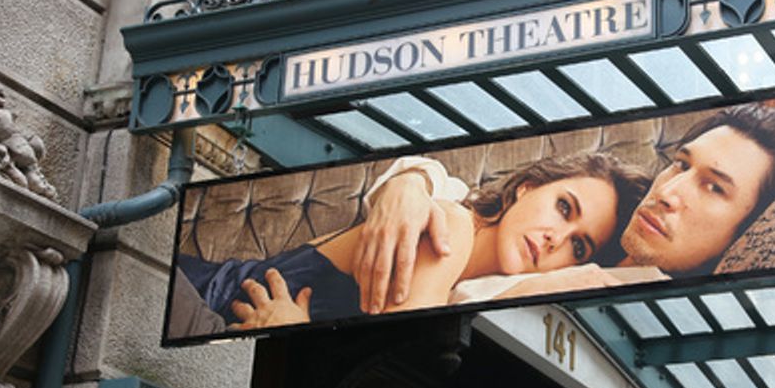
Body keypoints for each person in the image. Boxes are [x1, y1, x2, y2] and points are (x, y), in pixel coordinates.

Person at [355, 104, 775, 307]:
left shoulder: (644, 298)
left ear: (746, 231)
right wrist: (413, 180)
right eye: (680, 165)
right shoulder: (610, 232)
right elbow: (468, 210)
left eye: (714, 188)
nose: (669, 192)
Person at [175, 152, 650, 329]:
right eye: (564, 208)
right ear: (526, 188)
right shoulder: (452, 227)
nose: (556, 239)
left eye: (579, 246)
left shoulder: (469, 285)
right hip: (194, 296)